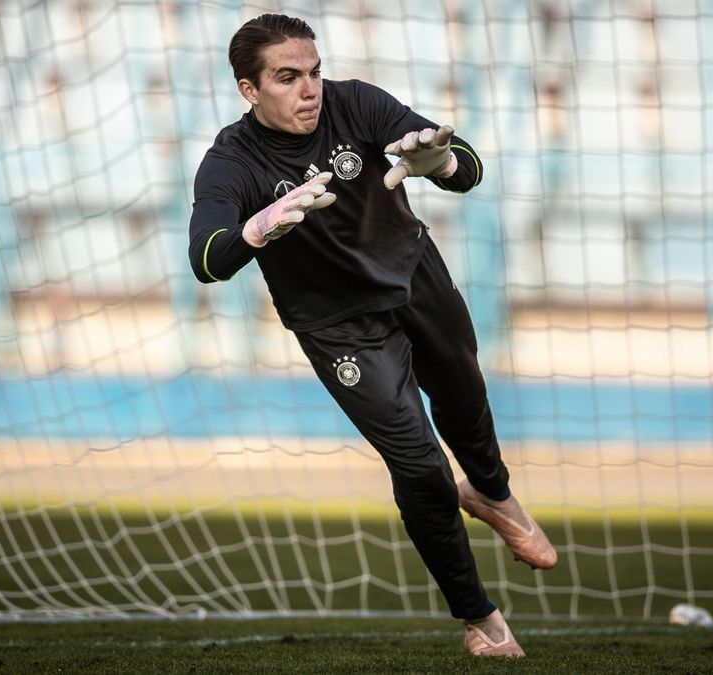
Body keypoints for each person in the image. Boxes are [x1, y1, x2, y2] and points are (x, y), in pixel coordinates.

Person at [187, 13, 556, 658]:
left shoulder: (357, 102)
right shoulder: (230, 161)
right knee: (419, 465)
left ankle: (493, 493)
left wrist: (441, 161)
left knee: (465, 395)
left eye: (314, 72)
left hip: (413, 273)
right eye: (288, 77)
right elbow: (207, 258)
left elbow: (465, 165)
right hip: (338, 327)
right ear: (250, 90)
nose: (310, 90)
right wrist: (255, 230)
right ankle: (481, 621)